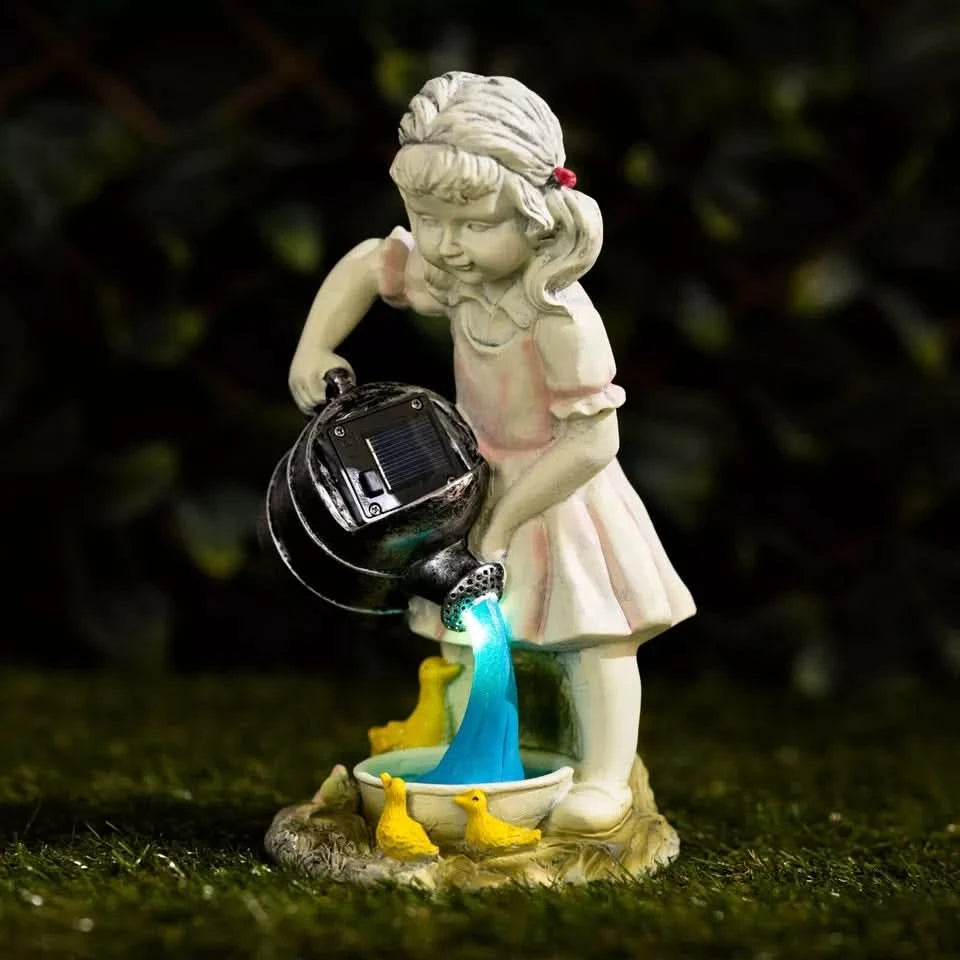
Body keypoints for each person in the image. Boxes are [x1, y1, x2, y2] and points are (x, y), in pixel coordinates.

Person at [288, 72, 695, 834]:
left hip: (559, 491)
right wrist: (315, 346)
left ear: (536, 214)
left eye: (473, 224)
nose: (446, 246)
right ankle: (478, 758)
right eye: (428, 220)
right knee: (470, 631)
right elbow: (371, 262)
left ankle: (605, 778)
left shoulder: (556, 312)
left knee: (595, 640)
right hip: (474, 480)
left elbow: (594, 437)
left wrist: (503, 523)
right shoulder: (457, 277)